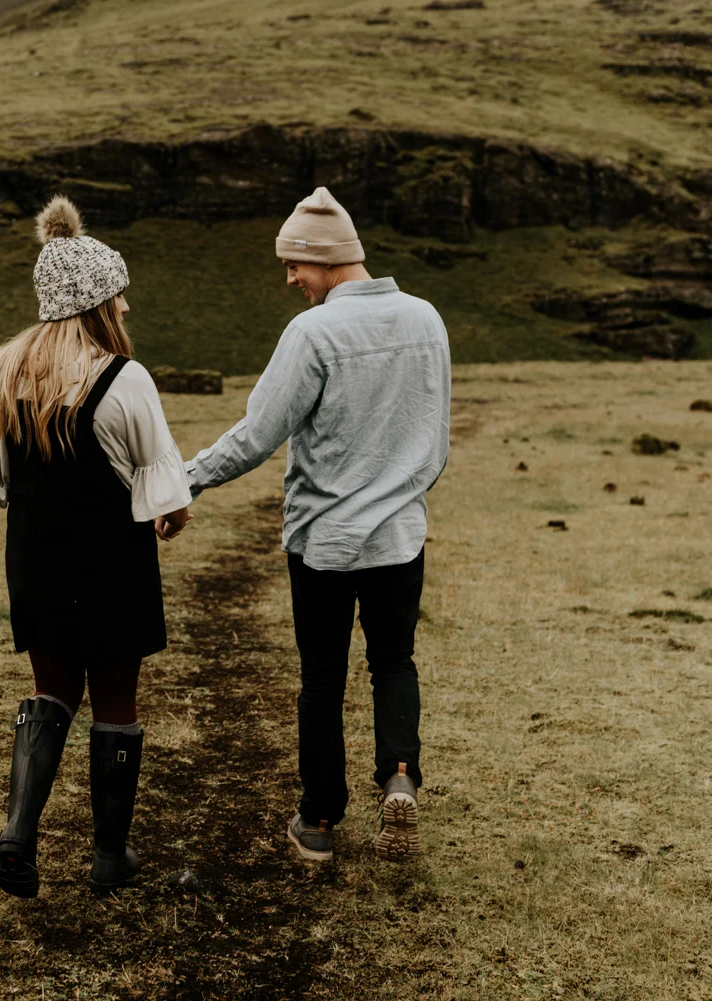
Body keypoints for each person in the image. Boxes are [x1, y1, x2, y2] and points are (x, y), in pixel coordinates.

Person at [183, 187, 451, 863]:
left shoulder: (314, 333)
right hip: (399, 540)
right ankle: (399, 777)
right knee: (394, 660)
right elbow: (435, 441)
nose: (290, 279)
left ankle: (320, 820)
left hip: (325, 546)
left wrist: (183, 479)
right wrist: (404, 497)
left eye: (294, 265)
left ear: (324, 258)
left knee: (323, 678)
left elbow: (257, 434)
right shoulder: (427, 320)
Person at [0, 196, 194, 897]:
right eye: (120, 297)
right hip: (113, 561)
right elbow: (168, 496)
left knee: (50, 690)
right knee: (115, 701)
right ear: (95, 304)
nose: (127, 309)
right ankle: (109, 858)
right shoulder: (124, 377)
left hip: (35, 558)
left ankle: (18, 834)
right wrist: (171, 516)